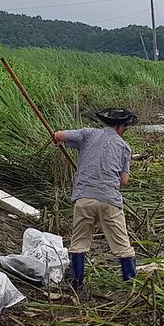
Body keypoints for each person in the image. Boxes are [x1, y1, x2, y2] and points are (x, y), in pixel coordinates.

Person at [53, 108, 138, 288]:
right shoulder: (124, 147)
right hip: (110, 200)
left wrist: (58, 141)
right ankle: (131, 285)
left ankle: (77, 284)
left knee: (78, 243)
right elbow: (124, 180)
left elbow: (59, 135)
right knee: (122, 245)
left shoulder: (87, 134)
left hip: (84, 198)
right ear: (120, 127)